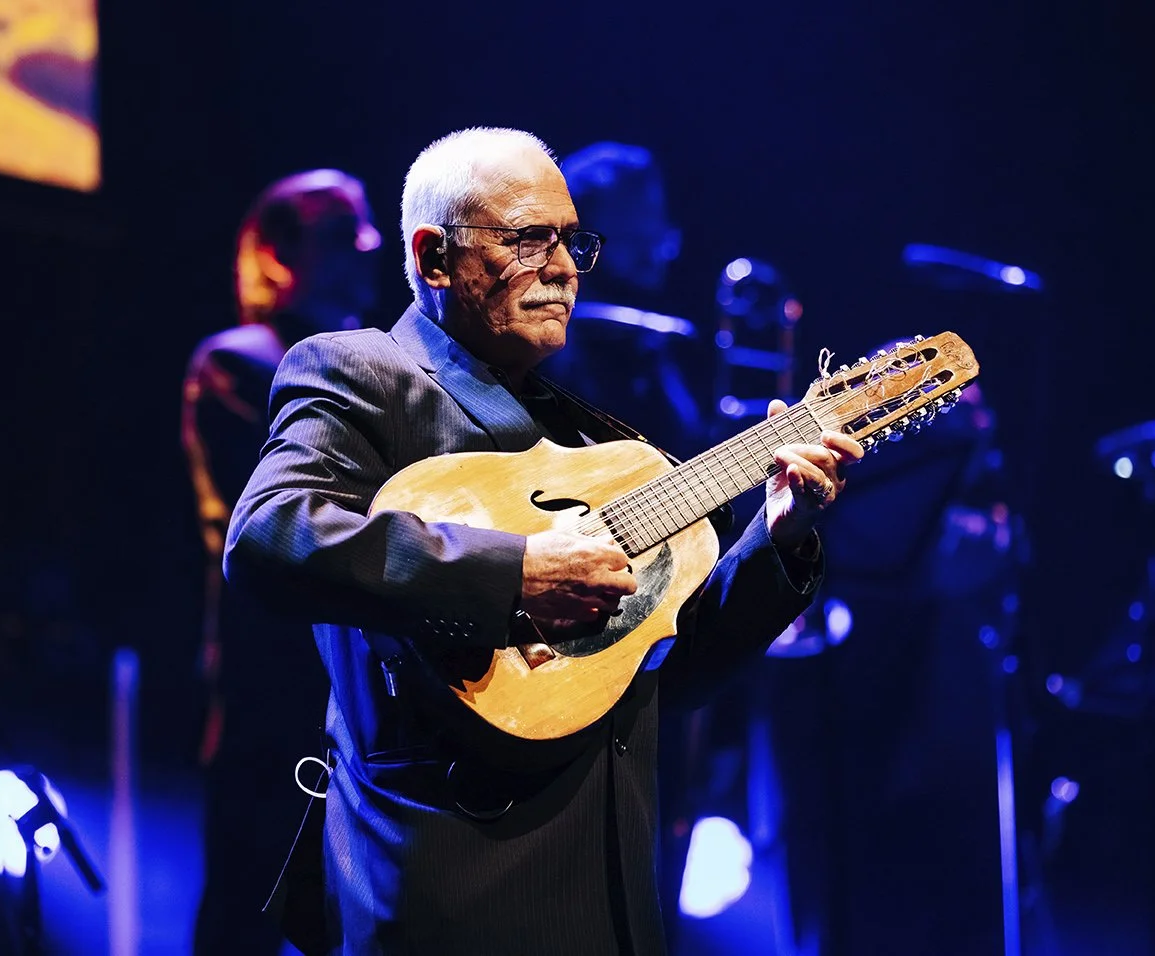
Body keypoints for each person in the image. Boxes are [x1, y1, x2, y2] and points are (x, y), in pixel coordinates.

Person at [223, 127, 861, 955]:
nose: (563, 269)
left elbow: (677, 672)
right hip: (449, 885)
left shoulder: (594, 438)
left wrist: (776, 539)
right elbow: (271, 535)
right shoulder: (360, 372)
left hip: (612, 891)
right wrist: (516, 575)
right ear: (435, 256)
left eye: (572, 241)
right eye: (530, 239)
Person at [181, 168, 381, 955]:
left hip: (356, 681)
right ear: (275, 253)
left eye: (366, 232)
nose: (364, 250)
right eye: (339, 234)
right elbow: (294, 511)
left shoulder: (374, 362)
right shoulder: (239, 360)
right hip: (273, 678)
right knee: (250, 906)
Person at [538, 141, 706, 458]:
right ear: (581, 241)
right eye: (635, 237)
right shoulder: (551, 350)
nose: (658, 250)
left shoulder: (651, 346)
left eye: (657, 228)